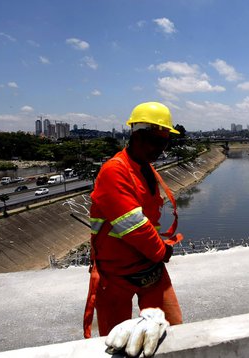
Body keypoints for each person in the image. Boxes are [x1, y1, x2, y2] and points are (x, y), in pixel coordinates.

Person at [83, 101, 183, 340]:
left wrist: (157, 253)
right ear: (137, 136)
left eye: (165, 142)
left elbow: (148, 220)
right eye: (156, 141)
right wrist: (162, 251)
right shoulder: (115, 171)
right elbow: (134, 226)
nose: (160, 148)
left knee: (173, 330)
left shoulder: (144, 168)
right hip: (117, 272)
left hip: (149, 266)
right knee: (116, 340)